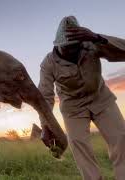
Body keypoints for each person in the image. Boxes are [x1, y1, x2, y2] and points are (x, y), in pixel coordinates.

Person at [38, 16, 125, 180]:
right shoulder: (48, 64)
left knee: (121, 139)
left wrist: (97, 37)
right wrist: (45, 125)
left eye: (76, 46)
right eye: (67, 47)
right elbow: (45, 96)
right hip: (73, 108)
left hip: (101, 99)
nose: (73, 51)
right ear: (57, 45)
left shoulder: (91, 45)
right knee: (79, 144)